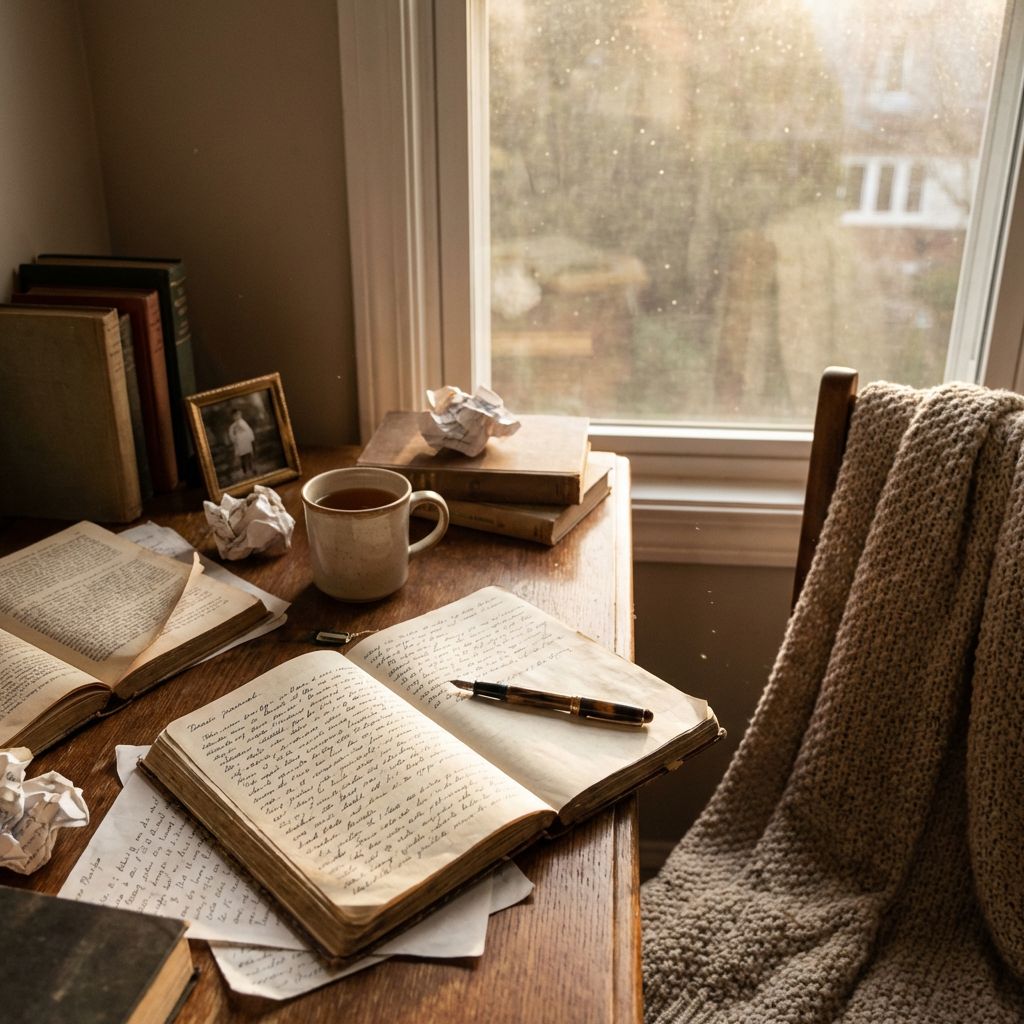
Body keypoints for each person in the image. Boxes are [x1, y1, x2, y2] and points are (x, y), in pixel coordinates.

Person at [228, 407, 256, 478]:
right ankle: (245, 471)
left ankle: (251, 468)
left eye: (238, 414)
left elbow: (249, 430)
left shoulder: (243, 422)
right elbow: (231, 435)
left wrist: (251, 439)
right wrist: (235, 438)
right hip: (240, 444)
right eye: (235, 415)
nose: (237, 416)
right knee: (243, 457)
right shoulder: (232, 426)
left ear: (240, 414)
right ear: (233, 417)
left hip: (246, 442)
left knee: (249, 456)